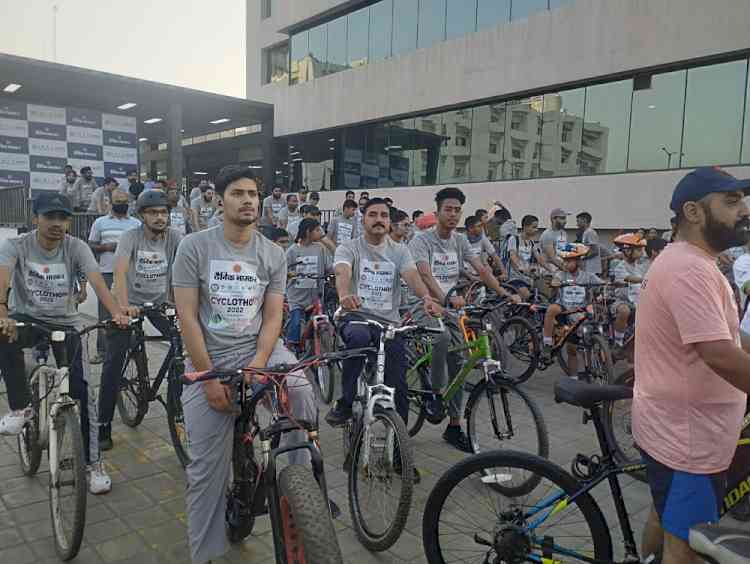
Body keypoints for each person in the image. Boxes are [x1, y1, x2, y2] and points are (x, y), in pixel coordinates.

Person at [173, 165, 317, 564]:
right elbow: (186, 317)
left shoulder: (272, 253)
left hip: (261, 350)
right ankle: (205, 554)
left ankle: (298, 488)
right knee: (206, 472)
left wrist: (257, 363)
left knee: (302, 392)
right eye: (238, 193)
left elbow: (273, 318)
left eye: (253, 193)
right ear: (221, 200)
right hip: (210, 357)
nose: (248, 200)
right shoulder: (194, 247)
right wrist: (205, 379)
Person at [633, 167, 750, 564]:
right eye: (731, 201)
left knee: (666, 516)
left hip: (677, 429)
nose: (744, 210)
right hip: (690, 440)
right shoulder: (690, 270)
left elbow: (730, 343)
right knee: (687, 550)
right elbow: (717, 353)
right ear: (694, 212)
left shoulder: (688, 261)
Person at [0, 192, 129, 493]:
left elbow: (98, 282)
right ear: (35, 218)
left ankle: (93, 463)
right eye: (49, 216)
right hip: (27, 319)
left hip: (66, 324)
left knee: (83, 394)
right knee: (2, 335)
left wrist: (116, 314)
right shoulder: (16, 245)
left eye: (63, 217)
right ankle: (20, 409)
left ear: (69, 221)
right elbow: (2, 280)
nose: (57, 223)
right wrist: (2, 313)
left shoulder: (76, 247)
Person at [325, 198, 442, 459]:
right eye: (373, 215)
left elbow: (412, 276)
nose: (379, 219)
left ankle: (400, 452)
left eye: (384, 215)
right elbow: (342, 272)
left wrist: (425, 298)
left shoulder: (399, 250)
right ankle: (345, 402)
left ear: (389, 221)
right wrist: (344, 296)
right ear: (363, 219)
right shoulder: (349, 247)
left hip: (389, 324)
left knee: (399, 386)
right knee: (358, 337)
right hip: (355, 316)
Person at [409, 188, 518, 452]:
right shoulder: (421, 240)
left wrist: (504, 292)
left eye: (458, 210)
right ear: (437, 212)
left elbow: (480, 268)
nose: (454, 214)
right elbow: (424, 275)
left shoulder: (459, 241)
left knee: (460, 363)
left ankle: (454, 426)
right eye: (448, 209)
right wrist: (445, 298)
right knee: (442, 338)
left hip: (450, 307)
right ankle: (435, 395)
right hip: (425, 304)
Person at [99, 190, 183, 451]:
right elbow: (120, 271)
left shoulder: (174, 237)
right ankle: (103, 424)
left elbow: (183, 271)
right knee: (114, 361)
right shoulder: (130, 237)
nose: (160, 217)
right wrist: (123, 307)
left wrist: (180, 304)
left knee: (181, 345)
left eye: (163, 212)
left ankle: (177, 398)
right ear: (142, 216)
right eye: (153, 213)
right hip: (128, 303)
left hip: (159, 304)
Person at [87, 189, 141, 363]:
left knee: (129, 312)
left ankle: (131, 350)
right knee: (105, 315)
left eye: (124, 201)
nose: (122, 204)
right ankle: (103, 351)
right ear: (110, 202)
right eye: (118, 201)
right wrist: (107, 247)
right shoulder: (100, 223)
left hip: (130, 275)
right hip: (107, 272)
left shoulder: (136, 223)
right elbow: (91, 245)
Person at [541, 243, 603, 376]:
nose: (565, 263)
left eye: (569, 260)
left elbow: (600, 284)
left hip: (581, 311)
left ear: (579, 261)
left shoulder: (588, 276)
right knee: (551, 309)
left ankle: (601, 358)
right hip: (564, 309)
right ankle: (547, 343)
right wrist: (555, 284)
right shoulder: (560, 274)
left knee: (574, 347)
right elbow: (555, 282)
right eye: (564, 260)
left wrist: (606, 286)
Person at [284, 218, 331, 349]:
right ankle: (290, 347)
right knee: (296, 322)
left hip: (316, 295)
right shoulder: (293, 250)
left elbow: (329, 267)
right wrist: (290, 274)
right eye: (317, 230)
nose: (320, 232)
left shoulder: (320, 248)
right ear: (308, 232)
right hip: (297, 296)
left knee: (317, 321)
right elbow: (283, 270)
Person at [610, 233, 648, 351]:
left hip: (639, 300)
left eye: (641, 250)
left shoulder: (641, 266)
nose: (641, 252)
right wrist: (643, 279)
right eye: (638, 250)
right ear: (627, 251)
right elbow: (627, 278)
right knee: (624, 310)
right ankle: (618, 341)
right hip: (622, 300)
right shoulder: (619, 266)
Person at [506, 214, 551, 299]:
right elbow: (513, 256)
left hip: (528, 278)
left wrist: (550, 270)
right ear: (525, 227)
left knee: (545, 292)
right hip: (515, 278)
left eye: (537, 227)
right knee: (526, 295)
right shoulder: (514, 239)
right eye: (534, 227)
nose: (536, 230)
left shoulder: (531, 242)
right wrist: (521, 267)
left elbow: (539, 259)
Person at [464, 215, 506, 281]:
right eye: (479, 226)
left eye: (481, 225)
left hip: (480, 273)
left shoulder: (483, 238)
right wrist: (471, 277)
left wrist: (504, 273)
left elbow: (495, 256)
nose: (482, 228)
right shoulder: (461, 240)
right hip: (466, 275)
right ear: (470, 228)